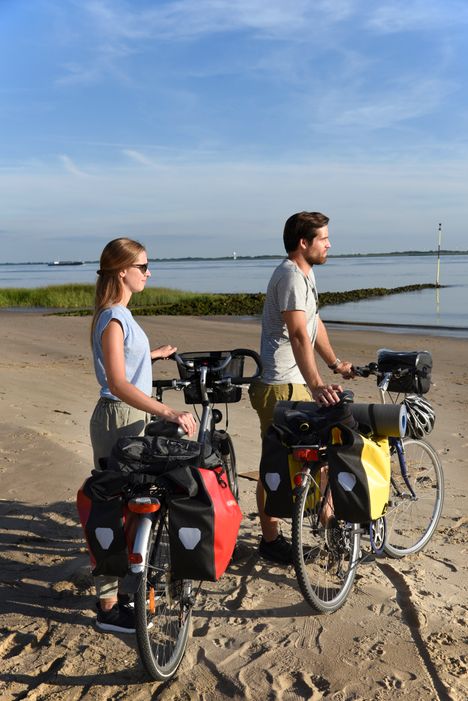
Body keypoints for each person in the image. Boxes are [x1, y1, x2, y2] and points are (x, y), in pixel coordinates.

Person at [89, 237, 197, 633]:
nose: (149, 273)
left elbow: (121, 364)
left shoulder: (117, 315)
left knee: (134, 505)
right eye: (143, 266)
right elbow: (116, 382)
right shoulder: (113, 317)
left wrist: (153, 356)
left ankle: (127, 586)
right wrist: (168, 410)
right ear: (123, 271)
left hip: (129, 414)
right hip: (119, 416)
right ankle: (107, 607)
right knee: (112, 507)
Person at [249, 211, 354, 565]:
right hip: (281, 385)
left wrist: (334, 363)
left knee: (320, 453)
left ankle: (327, 524)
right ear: (303, 243)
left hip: (296, 382)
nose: (329, 244)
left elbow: (313, 323)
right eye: (323, 238)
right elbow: (296, 334)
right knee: (275, 465)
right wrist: (317, 384)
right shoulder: (290, 276)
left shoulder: (305, 275)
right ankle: (271, 539)